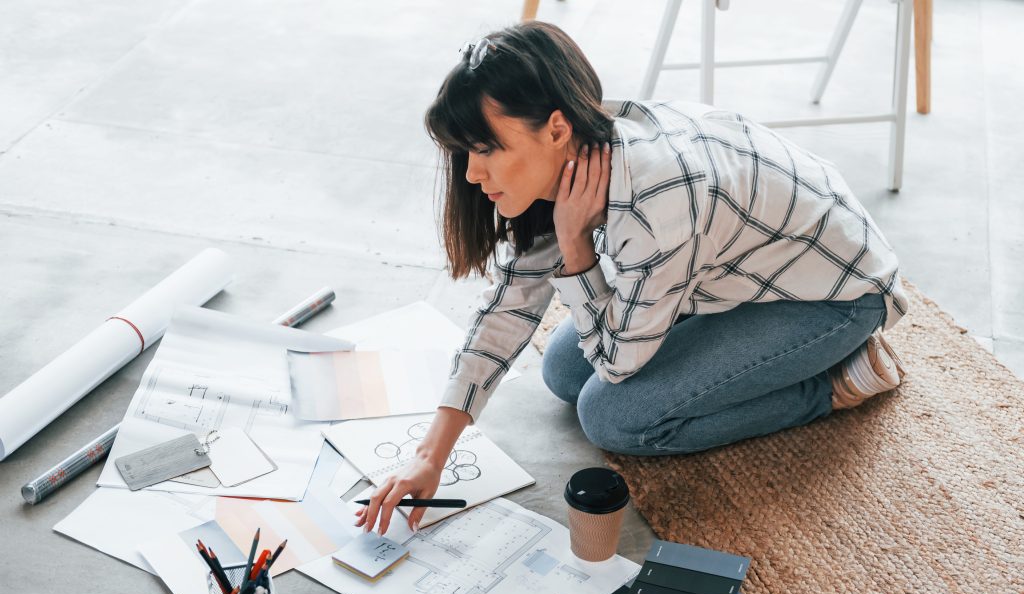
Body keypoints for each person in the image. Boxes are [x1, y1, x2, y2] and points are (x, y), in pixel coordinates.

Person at [355, 21, 909, 536]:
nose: (473, 174)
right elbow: (509, 307)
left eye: (486, 149)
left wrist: (574, 247)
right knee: (564, 369)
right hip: (734, 275)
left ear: (554, 128)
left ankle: (831, 383)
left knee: (614, 417)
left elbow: (620, 363)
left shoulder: (655, 195)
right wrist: (431, 455)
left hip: (836, 295)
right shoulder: (576, 154)